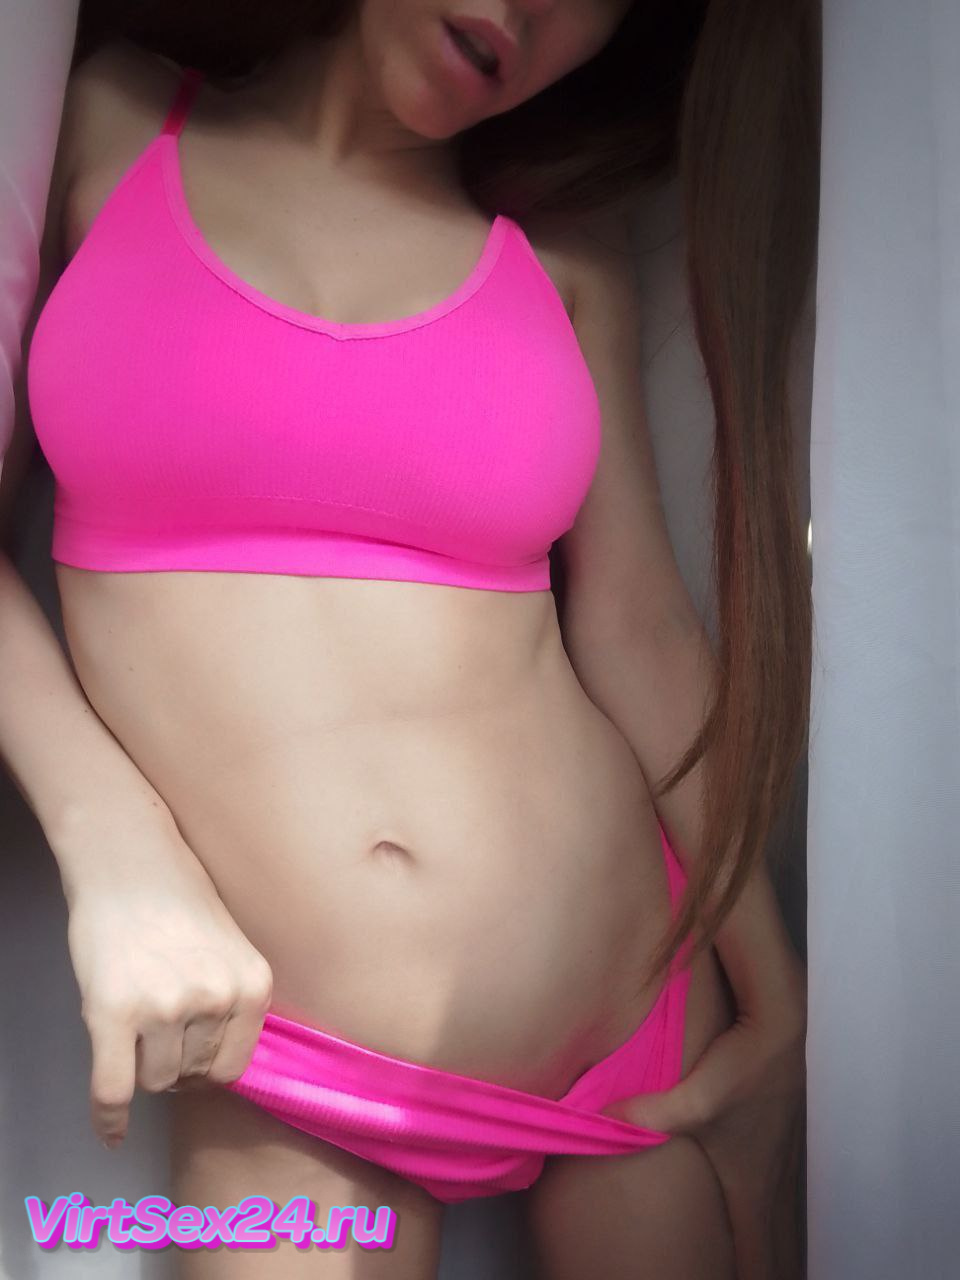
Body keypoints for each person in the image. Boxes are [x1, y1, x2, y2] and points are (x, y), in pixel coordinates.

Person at [1, 0, 817, 1274]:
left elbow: (640, 623)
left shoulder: (563, 247)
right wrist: (115, 846)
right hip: (287, 1049)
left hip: (638, 1018)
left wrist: (775, 1004)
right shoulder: (106, 116)